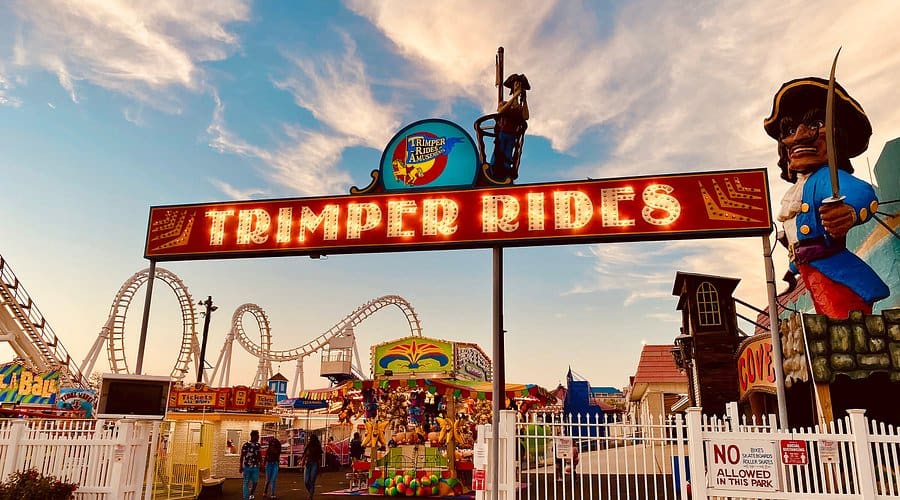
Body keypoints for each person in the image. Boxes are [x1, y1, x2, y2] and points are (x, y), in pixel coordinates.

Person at [764, 76, 889, 318]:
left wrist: (850, 212)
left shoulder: (824, 179)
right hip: (810, 269)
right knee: (826, 314)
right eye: (790, 130)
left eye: (816, 124)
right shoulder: (799, 188)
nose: (799, 136)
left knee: (839, 316)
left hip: (832, 269)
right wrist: (792, 268)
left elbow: (861, 193)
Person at [489, 73, 530, 180]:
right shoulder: (504, 103)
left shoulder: (520, 108)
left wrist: (524, 100)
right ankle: (494, 167)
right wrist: (515, 96)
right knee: (499, 150)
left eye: (519, 84)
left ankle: (506, 168)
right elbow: (501, 111)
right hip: (503, 131)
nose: (518, 85)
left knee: (508, 151)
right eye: (516, 83)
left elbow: (526, 116)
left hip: (512, 133)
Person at [239, 430, 262, 500]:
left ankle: (252, 493)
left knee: (255, 482)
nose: (258, 437)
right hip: (247, 467)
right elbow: (242, 456)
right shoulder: (246, 445)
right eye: (257, 436)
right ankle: (246, 497)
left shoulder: (258, 445)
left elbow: (259, 456)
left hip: (255, 467)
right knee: (246, 482)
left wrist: (262, 464)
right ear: (253, 436)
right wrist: (240, 466)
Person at [301, 433, 323, 500]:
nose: (309, 440)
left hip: (314, 463)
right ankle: (311, 492)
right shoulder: (309, 445)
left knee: (311, 480)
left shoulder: (317, 446)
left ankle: (311, 495)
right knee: (307, 481)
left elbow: (319, 458)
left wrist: (319, 468)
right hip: (309, 464)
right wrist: (303, 462)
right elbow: (305, 454)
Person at [263, 434, 282, 499]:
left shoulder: (277, 450)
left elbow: (277, 453)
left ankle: (272, 494)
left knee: (273, 479)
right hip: (269, 464)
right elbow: (266, 457)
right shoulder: (269, 449)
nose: (272, 445)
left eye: (274, 444)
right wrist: (264, 464)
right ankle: (265, 492)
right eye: (272, 444)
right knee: (268, 479)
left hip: (275, 464)